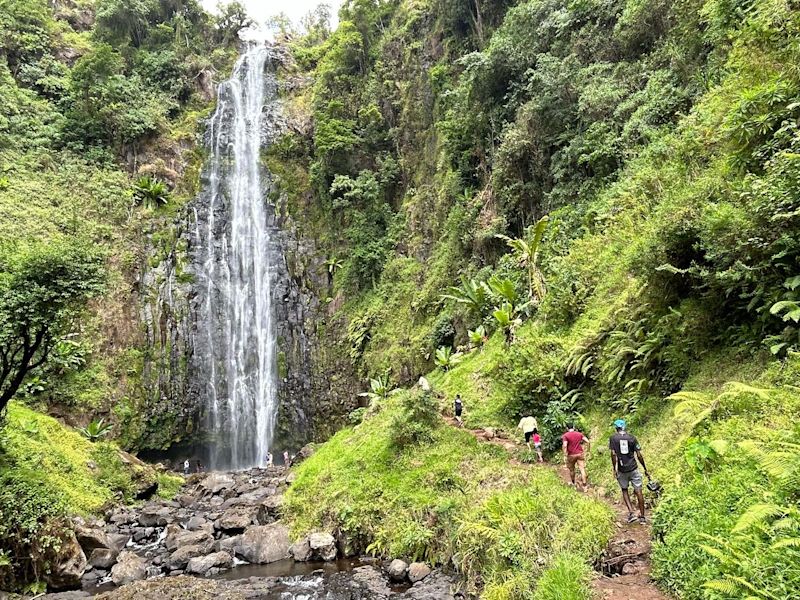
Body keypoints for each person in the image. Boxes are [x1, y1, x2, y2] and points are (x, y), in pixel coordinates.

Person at [609, 419, 650, 524]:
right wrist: (645, 468)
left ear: (616, 428)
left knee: (624, 489)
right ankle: (642, 516)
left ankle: (632, 513)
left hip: (622, 470)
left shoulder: (613, 438)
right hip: (633, 468)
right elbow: (639, 455)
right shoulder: (632, 438)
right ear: (624, 427)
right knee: (638, 490)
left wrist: (615, 468)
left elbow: (613, 454)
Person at [562, 423, 590, 490]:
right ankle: (585, 486)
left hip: (571, 455)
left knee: (572, 470)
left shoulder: (565, 436)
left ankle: (573, 483)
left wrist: (565, 454)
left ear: (567, 428)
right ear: (574, 427)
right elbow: (587, 441)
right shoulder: (579, 434)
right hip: (580, 454)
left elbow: (565, 445)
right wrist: (588, 450)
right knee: (582, 469)